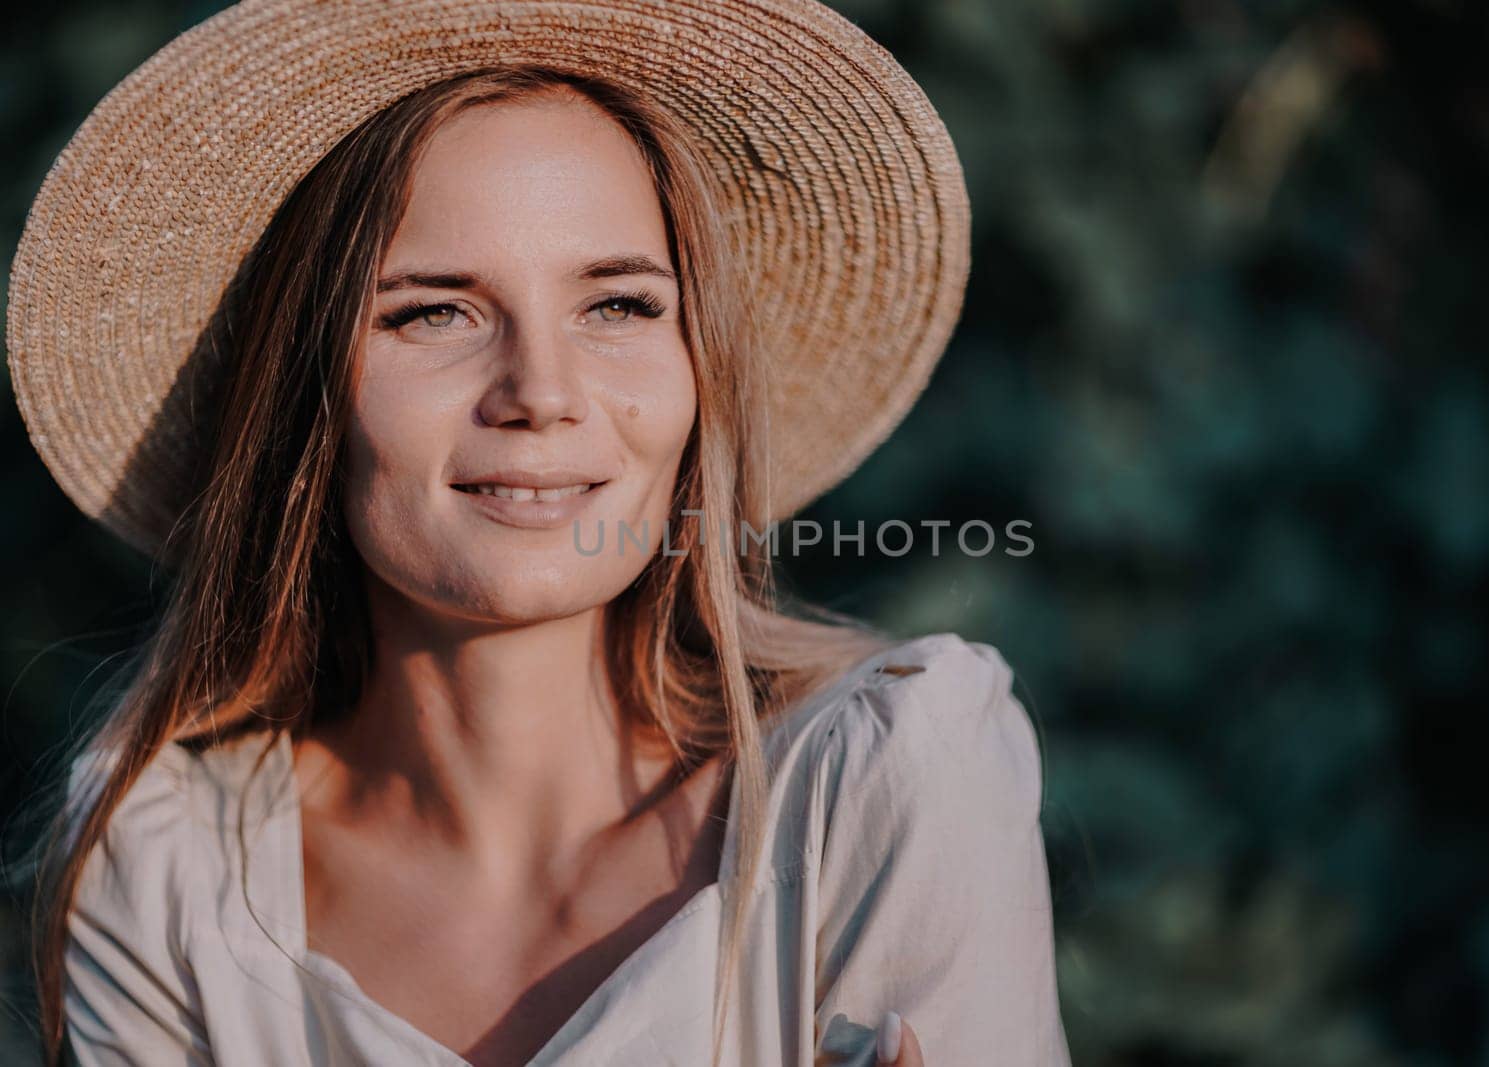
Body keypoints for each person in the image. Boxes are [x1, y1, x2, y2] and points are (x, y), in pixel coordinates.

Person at [5, 2, 1073, 1065]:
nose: (541, 393)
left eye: (617, 305)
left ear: (700, 368)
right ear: (302, 396)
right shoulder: (163, 872)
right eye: (434, 311)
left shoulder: (888, 781)